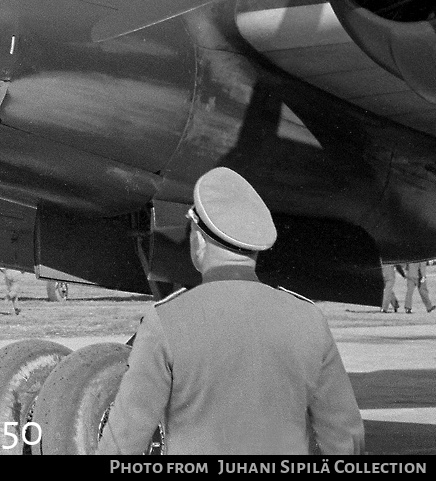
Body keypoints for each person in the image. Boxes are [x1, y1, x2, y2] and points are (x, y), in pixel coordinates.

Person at [98, 167, 363, 455]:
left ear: (197, 240)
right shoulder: (308, 319)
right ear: (255, 249)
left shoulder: (166, 321)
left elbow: (124, 440)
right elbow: (345, 437)